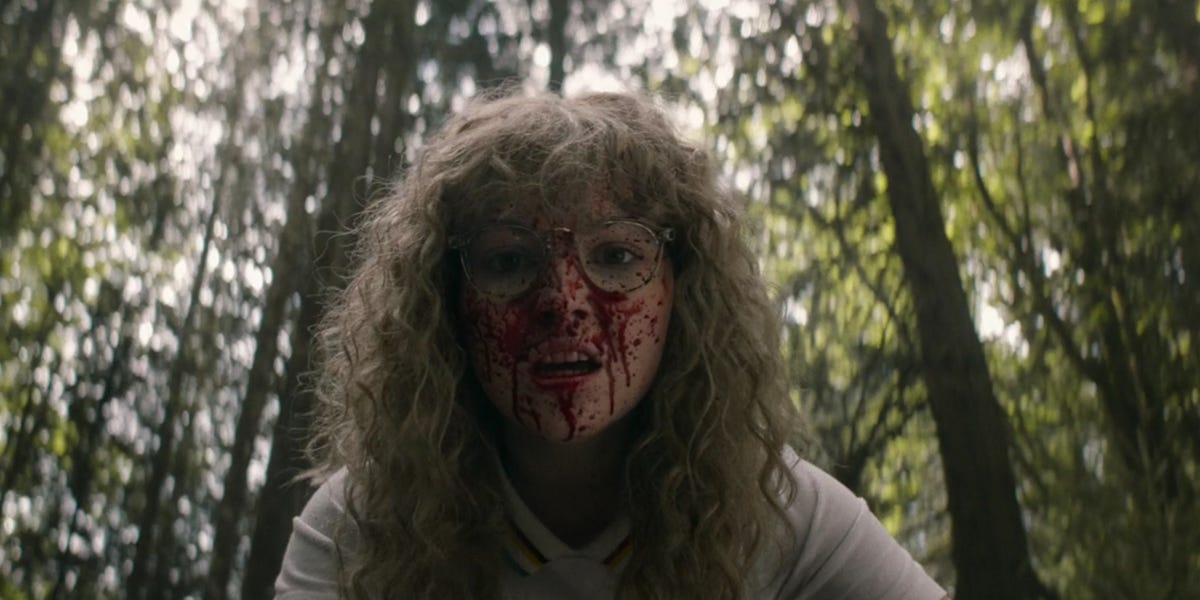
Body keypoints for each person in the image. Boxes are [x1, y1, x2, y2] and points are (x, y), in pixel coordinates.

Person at [275, 90, 948, 599]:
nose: (564, 305)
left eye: (619, 256)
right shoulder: (356, 531)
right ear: (445, 299)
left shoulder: (780, 518)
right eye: (509, 262)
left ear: (682, 288)